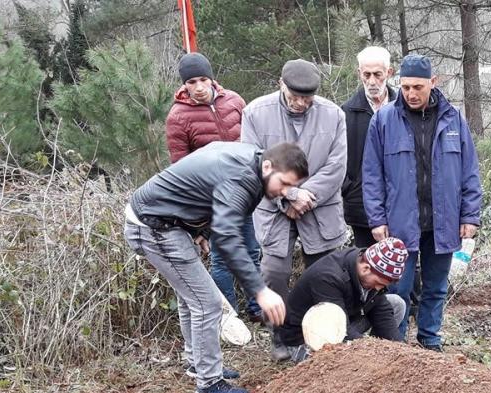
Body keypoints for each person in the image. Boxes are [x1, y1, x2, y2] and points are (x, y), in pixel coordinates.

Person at [124, 142, 309, 393]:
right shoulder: (242, 178)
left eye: (292, 187)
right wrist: (260, 291)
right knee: (207, 303)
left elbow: (205, 188)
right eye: (285, 183)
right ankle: (209, 383)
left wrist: (199, 230)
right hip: (153, 226)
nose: (286, 193)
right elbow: (228, 238)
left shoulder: (253, 161)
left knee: (191, 297)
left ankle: (196, 363)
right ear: (268, 166)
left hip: (165, 220)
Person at [362, 54, 482, 352]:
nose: (411, 94)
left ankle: (429, 339)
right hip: (401, 222)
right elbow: (372, 174)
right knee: (398, 287)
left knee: (436, 286)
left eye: (418, 87)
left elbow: (469, 171)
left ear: (433, 82)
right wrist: (377, 219)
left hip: (444, 220)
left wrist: (470, 216)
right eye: (405, 87)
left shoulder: (453, 119)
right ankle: (396, 343)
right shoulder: (384, 120)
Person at [241, 59, 348, 357]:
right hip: (273, 208)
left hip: (320, 208)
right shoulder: (255, 113)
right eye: (295, 96)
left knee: (324, 275)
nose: (301, 103)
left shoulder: (334, 115)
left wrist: (306, 196)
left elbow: (337, 166)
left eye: (307, 98)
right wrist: (288, 195)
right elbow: (254, 164)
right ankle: (281, 335)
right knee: (274, 273)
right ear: (281, 84)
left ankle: (321, 339)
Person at [164, 53, 262, 322]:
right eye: (191, 82)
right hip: (213, 200)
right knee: (221, 259)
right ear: (184, 85)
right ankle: (228, 317)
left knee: (252, 250)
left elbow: (253, 143)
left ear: (211, 78)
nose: (198, 87)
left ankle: (257, 310)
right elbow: (181, 168)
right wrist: (196, 216)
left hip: (245, 191)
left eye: (203, 79)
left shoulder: (234, 101)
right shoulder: (178, 117)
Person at [274, 238, 408, 361]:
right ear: (366, 268)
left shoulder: (365, 266)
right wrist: (370, 350)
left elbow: (381, 312)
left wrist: (402, 352)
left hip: (345, 320)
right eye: (378, 283)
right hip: (306, 337)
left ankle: (374, 357)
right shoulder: (327, 277)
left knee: (396, 303)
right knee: (338, 366)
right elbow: (337, 328)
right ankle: (367, 359)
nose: (378, 288)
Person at [341, 46, 397, 248]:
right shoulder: (346, 113)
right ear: (359, 74)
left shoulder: (404, 109)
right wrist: (349, 187)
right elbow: (338, 158)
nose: (372, 81)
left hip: (401, 204)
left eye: (377, 74)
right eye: (367, 75)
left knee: (402, 261)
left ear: (389, 73)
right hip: (360, 206)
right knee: (366, 262)